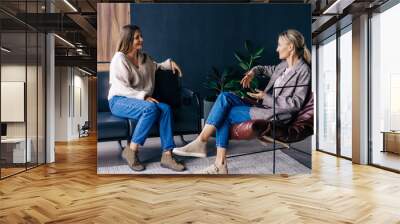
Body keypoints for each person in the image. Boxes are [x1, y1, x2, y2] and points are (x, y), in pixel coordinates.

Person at [173, 29, 311, 174]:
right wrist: (252, 72)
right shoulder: (283, 66)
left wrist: (265, 97)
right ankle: (205, 146)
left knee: (224, 113)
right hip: (264, 107)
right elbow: (263, 69)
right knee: (225, 96)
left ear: (290, 47)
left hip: (277, 115)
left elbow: (295, 104)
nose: (277, 49)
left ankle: (214, 158)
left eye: (279, 45)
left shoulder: (304, 72)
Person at [108, 25, 184, 172]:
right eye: (137, 37)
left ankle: (167, 155)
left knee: (166, 109)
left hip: (139, 101)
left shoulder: (144, 58)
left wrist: (169, 63)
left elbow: (156, 66)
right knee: (150, 108)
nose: (141, 39)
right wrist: (143, 96)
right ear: (128, 39)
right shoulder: (119, 58)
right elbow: (120, 87)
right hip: (119, 100)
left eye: (141, 36)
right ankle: (132, 150)